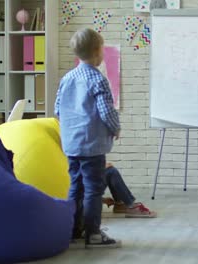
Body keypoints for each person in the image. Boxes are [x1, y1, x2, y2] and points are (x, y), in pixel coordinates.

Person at [54, 28, 121, 248]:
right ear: (96, 51)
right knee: (94, 188)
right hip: (91, 145)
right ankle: (93, 233)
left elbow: (57, 110)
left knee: (76, 186)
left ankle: (73, 230)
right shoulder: (97, 79)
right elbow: (107, 111)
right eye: (102, 48)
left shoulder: (67, 77)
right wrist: (115, 128)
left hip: (72, 143)